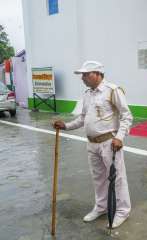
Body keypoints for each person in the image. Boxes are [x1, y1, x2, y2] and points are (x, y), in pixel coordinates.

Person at [53, 60, 133, 228]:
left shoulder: (112, 91)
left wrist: (120, 137)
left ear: (98, 74)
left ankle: (122, 211)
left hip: (109, 143)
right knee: (98, 178)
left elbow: (127, 116)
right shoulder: (87, 93)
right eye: (82, 75)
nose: (83, 78)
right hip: (92, 144)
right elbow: (83, 118)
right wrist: (66, 126)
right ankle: (101, 207)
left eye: (86, 74)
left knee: (117, 178)